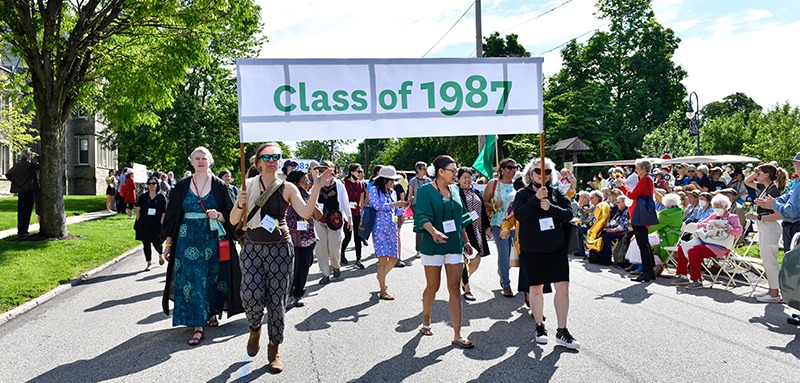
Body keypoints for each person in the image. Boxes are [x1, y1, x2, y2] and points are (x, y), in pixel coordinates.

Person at [229, 142, 333, 372]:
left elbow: (306, 213)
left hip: (280, 249)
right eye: (266, 157)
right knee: (250, 294)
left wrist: (315, 186)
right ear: (257, 162)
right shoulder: (247, 185)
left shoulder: (287, 187)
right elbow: (234, 220)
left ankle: (274, 347)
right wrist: (240, 203)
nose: (272, 160)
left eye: (276, 156)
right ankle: (254, 328)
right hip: (252, 248)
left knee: (277, 301)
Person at [160, 146, 243, 347]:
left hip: (213, 239)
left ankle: (212, 312)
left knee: (212, 277)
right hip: (187, 238)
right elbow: (172, 216)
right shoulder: (181, 186)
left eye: (204, 158)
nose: (200, 161)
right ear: (191, 162)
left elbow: (232, 214)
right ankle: (198, 324)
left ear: (210, 161)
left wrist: (219, 216)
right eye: (196, 158)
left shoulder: (219, 186)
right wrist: (168, 243)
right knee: (194, 279)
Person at [513, 157, 579, 350]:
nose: (543, 175)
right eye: (539, 171)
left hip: (556, 248)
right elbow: (519, 215)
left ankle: (562, 330)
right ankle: (539, 326)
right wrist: (535, 200)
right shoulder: (522, 194)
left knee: (563, 288)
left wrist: (551, 207)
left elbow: (569, 214)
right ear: (531, 174)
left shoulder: (557, 193)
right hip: (532, 249)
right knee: (536, 289)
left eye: (547, 171)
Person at [415, 155, 475, 349]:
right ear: (441, 171)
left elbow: (461, 219)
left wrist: (465, 241)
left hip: (454, 245)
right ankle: (426, 321)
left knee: (455, 288)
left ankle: (457, 334)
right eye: (453, 170)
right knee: (433, 287)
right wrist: (433, 232)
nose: (456, 174)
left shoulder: (456, 190)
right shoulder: (425, 191)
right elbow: (422, 216)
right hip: (433, 246)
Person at [672, 194, 743, 289]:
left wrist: (726, 228)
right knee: (682, 247)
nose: (717, 209)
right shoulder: (713, 215)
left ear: (726, 206)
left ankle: (697, 280)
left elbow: (739, 232)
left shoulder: (733, 217)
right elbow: (701, 224)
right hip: (707, 242)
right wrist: (705, 226)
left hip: (720, 246)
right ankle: (683, 276)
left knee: (694, 251)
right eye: (715, 207)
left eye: (719, 206)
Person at [745, 164, 784, 303]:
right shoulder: (764, 187)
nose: (756, 175)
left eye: (759, 173)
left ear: (767, 175)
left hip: (769, 226)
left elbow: (778, 215)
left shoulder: (773, 191)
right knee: (766, 260)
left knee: (770, 260)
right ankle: (771, 289)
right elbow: (747, 181)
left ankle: (775, 293)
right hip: (764, 226)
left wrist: (758, 217)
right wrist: (755, 170)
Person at [368, 166, 408, 300]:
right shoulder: (374, 190)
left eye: (394, 180)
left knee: (394, 257)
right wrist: (395, 204)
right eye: (391, 180)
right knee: (383, 259)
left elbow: (395, 210)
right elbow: (377, 206)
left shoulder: (392, 192)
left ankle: (381, 277)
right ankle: (382, 289)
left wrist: (402, 210)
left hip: (391, 228)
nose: (393, 183)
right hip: (379, 228)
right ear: (384, 179)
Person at [285, 170, 322, 308]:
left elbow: (318, 216)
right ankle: (288, 295)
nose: (307, 183)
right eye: (304, 181)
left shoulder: (309, 196)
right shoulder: (286, 196)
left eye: (308, 180)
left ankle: (299, 294)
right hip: (291, 239)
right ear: (295, 183)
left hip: (308, 238)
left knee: (304, 267)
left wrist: (312, 203)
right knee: (292, 268)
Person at [617, 158, 658, 283]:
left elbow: (632, 195)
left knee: (642, 244)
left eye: (638, 168)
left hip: (640, 214)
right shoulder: (647, 179)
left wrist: (622, 187)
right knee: (644, 243)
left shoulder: (645, 179)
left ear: (644, 169)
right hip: (641, 213)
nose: (636, 170)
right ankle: (649, 271)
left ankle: (646, 272)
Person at [312, 160, 353, 284]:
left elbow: (345, 202)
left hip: (335, 220)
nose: (324, 172)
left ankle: (335, 265)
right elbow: (311, 199)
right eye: (321, 169)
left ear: (332, 170)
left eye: (327, 169)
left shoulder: (339, 185)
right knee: (321, 248)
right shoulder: (317, 184)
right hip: (319, 220)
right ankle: (325, 274)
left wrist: (349, 218)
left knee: (334, 247)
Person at [484, 158, 519, 298]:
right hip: (499, 224)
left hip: (516, 225)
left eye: (514, 167)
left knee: (514, 255)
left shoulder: (518, 184)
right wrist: (493, 206)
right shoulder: (494, 184)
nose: (512, 170)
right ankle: (506, 283)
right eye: (509, 167)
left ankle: (503, 271)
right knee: (504, 254)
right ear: (502, 169)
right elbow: (483, 201)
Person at [457, 167, 492, 301]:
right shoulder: (456, 193)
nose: (467, 179)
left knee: (477, 259)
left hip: (478, 229)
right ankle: (467, 288)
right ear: (458, 179)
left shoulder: (476, 191)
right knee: (466, 259)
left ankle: (462, 280)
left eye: (469, 176)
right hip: (464, 230)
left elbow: (482, 211)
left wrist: (487, 227)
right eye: (464, 177)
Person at [5, 149, 40, 237]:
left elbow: (8, 174)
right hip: (29, 190)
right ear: (28, 156)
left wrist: (16, 181)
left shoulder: (17, 165)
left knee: (21, 210)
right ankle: (24, 230)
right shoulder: (30, 164)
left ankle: (21, 230)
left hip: (20, 190)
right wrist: (37, 156)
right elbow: (39, 165)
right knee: (27, 211)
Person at [134, 176, 167, 270]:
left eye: (153, 183)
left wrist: (162, 222)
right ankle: (149, 263)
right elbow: (138, 209)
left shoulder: (161, 197)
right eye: (149, 184)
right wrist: (138, 219)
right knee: (146, 244)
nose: (151, 185)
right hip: (145, 224)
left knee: (157, 243)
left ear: (157, 185)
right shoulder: (144, 197)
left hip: (157, 224)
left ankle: (160, 254)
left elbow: (164, 211)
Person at [341, 163, 366, 269]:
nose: (360, 174)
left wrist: (362, 213)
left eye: (361, 172)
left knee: (358, 237)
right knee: (347, 236)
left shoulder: (361, 184)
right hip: (346, 214)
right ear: (351, 172)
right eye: (358, 171)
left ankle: (358, 259)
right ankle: (341, 253)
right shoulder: (343, 183)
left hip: (357, 213)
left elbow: (362, 200)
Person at [407, 161, 432, 257]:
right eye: (424, 169)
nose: (425, 171)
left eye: (426, 169)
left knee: (429, 225)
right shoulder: (413, 181)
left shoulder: (429, 181)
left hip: (427, 205)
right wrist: (408, 204)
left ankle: (428, 247)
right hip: (416, 205)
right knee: (419, 226)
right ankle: (418, 249)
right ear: (418, 170)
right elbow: (410, 194)